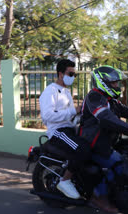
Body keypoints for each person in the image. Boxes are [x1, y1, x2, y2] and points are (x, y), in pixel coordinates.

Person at [79, 65, 128, 213]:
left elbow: (124, 110)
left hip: (107, 141)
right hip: (95, 143)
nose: (117, 85)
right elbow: (108, 119)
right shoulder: (95, 97)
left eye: (117, 83)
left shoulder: (109, 98)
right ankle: (99, 198)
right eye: (114, 83)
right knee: (118, 164)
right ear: (102, 82)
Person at [39, 59, 91, 199]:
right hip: (58, 132)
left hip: (69, 129)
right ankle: (65, 180)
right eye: (71, 73)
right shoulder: (50, 91)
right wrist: (74, 111)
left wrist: (81, 115)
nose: (73, 77)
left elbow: (70, 116)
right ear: (61, 74)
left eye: (75, 74)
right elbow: (48, 115)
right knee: (83, 149)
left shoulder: (66, 92)